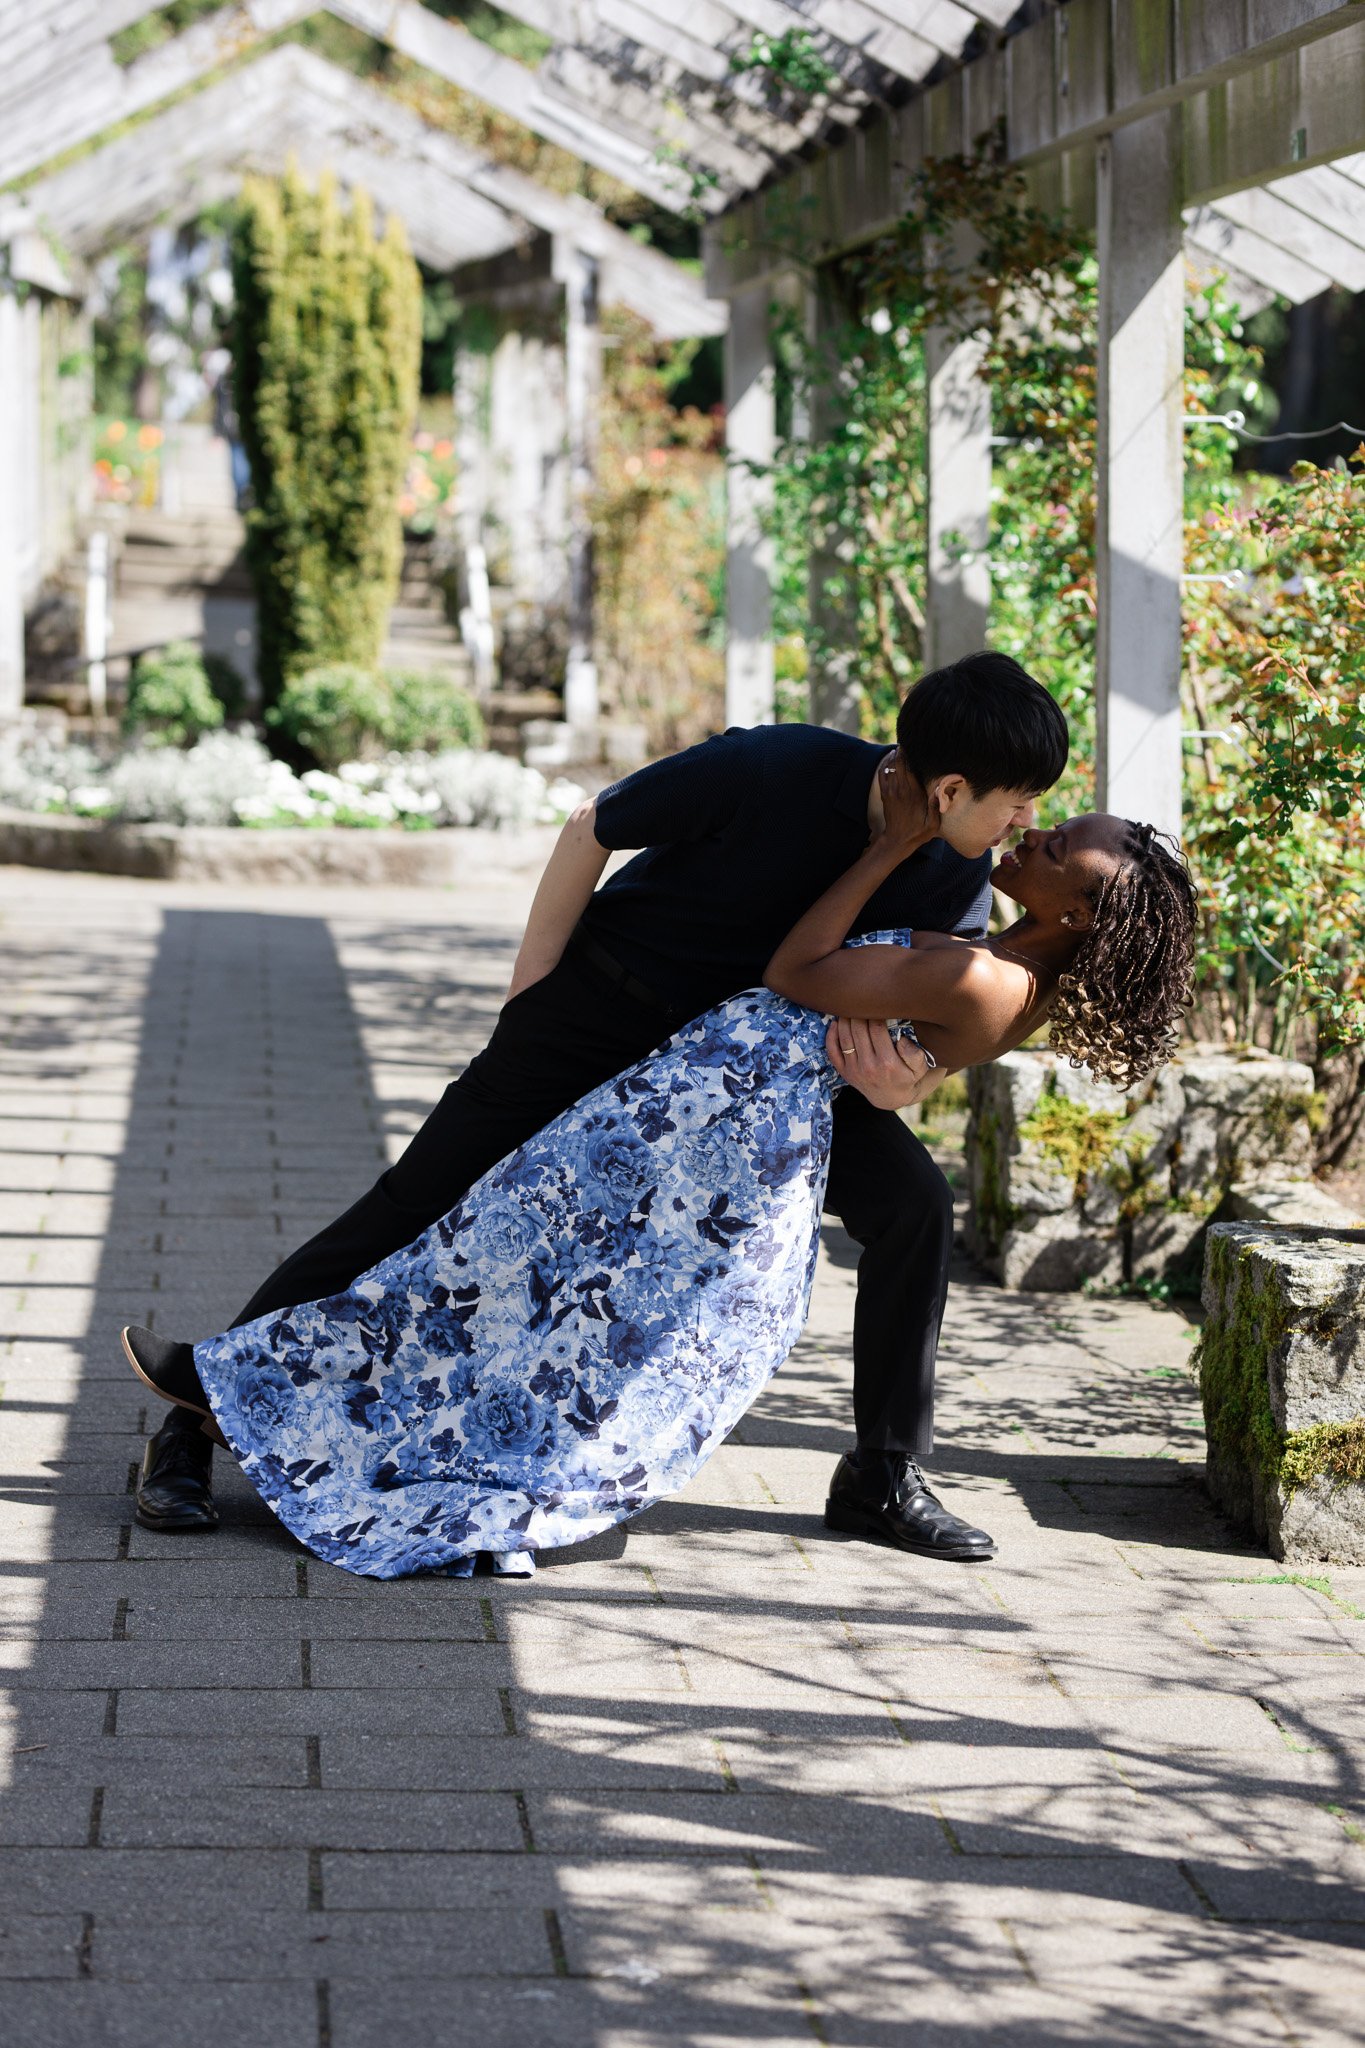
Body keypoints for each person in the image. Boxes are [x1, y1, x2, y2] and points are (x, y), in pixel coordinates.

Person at [119, 764, 1197, 1578]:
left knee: (912, 1203)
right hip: (615, 1019)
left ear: (1076, 912)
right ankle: (202, 1413)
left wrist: (906, 1076)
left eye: (1046, 827)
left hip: (747, 1085)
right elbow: (593, 823)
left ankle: (882, 1472)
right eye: (1020, 805)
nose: (1026, 827)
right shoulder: (784, 765)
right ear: (949, 781)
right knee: (431, 1204)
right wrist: (528, 997)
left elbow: (921, 1012)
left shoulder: (968, 875)